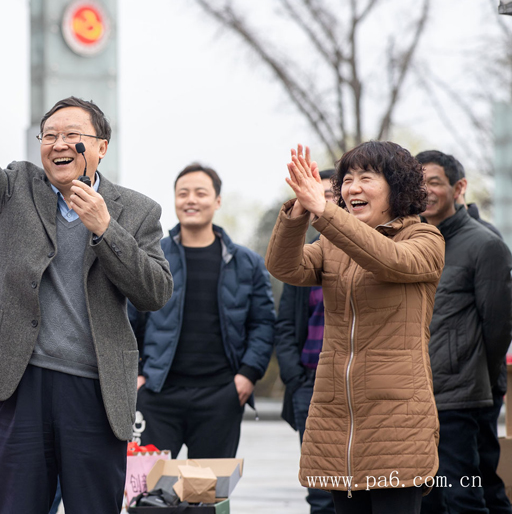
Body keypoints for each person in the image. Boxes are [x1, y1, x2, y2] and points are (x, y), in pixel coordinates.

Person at [0, 38, 172, 514]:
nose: (59, 144)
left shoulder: (137, 211)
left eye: (72, 134)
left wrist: (106, 229)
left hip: (95, 390)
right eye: (48, 135)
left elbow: (155, 292)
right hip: (24, 382)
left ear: (101, 146)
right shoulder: (17, 188)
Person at [265, 141, 445, 514]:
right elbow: (285, 267)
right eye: (347, 179)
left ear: (397, 187)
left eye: (366, 177)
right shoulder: (334, 244)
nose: (352, 188)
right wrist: (300, 213)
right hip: (337, 419)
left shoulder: (424, 238)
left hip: (397, 423)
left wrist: (325, 212)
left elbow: (388, 260)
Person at [128, 163, 275, 459]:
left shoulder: (247, 263)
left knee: (207, 497)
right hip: (157, 395)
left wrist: (247, 375)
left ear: (218, 201)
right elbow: (129, 319)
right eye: (183, 193)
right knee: (149, 497)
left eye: (200, 193)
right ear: (174, 200)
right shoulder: (151, 257)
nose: (191, 200)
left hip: (220, 396)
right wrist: (136, 376)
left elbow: (263, 323)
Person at [415, 150, 512, 514]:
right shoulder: (411, 242)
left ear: (459, 188)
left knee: (465, 494)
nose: (426, 190)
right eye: (419, 182)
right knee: (429, 499)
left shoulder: (485, 245)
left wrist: (480, 381)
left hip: (461, 398)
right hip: (417, 395)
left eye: (435, 182)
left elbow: (498, 327)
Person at [274, 168, 336, 514]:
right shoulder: (307, 254)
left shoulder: (370, 250)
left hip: (354, 380)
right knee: (320, 492)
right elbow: (285, 324)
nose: (322, 202)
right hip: (310, 383)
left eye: (330, 195)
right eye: (317, 196)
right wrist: (295, 378)